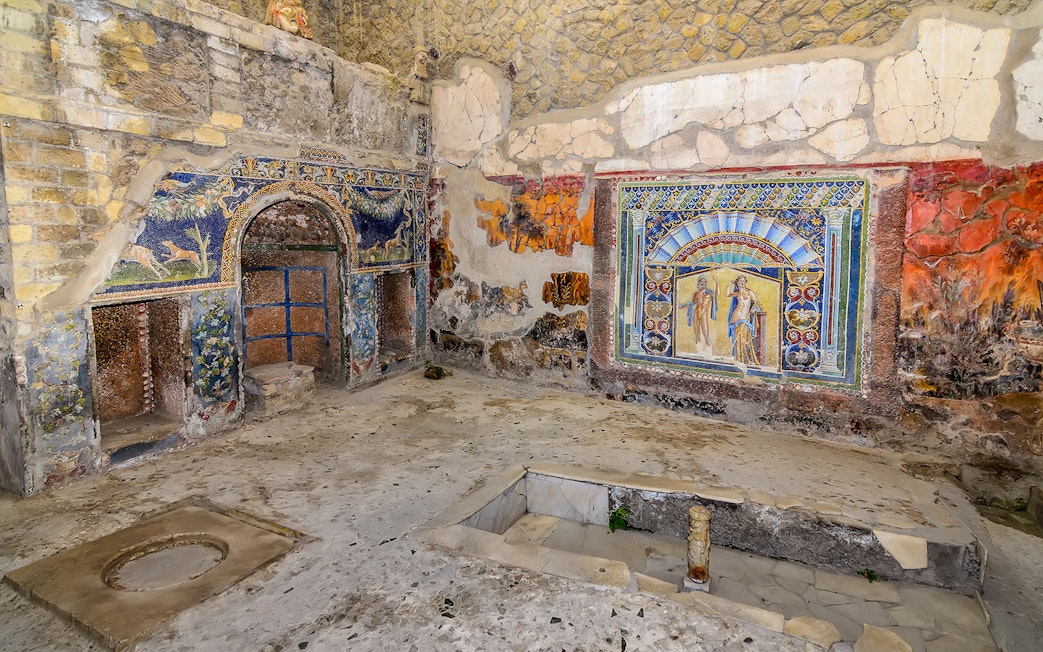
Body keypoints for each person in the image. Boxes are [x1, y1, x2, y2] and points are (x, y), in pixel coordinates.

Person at [727, 275, 760, 366]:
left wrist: (754, 309)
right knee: (737, 339)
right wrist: (729, 284)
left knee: (745, 339)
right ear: (737, 283)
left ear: (745, 282)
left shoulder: (750, 293)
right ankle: (738, 358)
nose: (742, 283)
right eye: (740, 281)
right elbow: (727, 294)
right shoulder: (737, 293)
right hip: (736, 316)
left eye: (743, 281)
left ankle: (747, 359)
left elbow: (757, 303)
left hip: (745, 317)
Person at [683, 276, 717, 354]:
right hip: (696, 312)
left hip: (704, 313)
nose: (703, 283)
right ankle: (699, 351)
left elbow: (717, 293)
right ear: (698, 283)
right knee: (697, 332)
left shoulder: (709, 292)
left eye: (704, 282)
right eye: (701, 281)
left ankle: (709, 351)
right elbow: (693, 303)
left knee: (705, 332)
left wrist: (717, 283)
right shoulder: (696, 293)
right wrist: (684, 306)